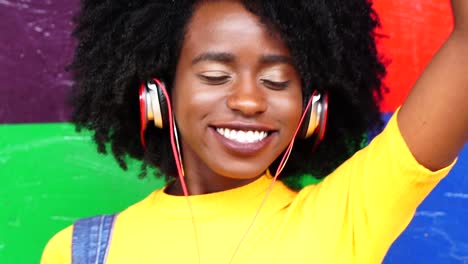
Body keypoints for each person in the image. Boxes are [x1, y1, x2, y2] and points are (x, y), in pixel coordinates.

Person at [41, 0, 467, 263]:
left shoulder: (344, 217)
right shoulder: (80, 252)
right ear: (157, 92)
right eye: (214, 74)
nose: (248, 100)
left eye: (277, 81)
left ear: (312, 107)